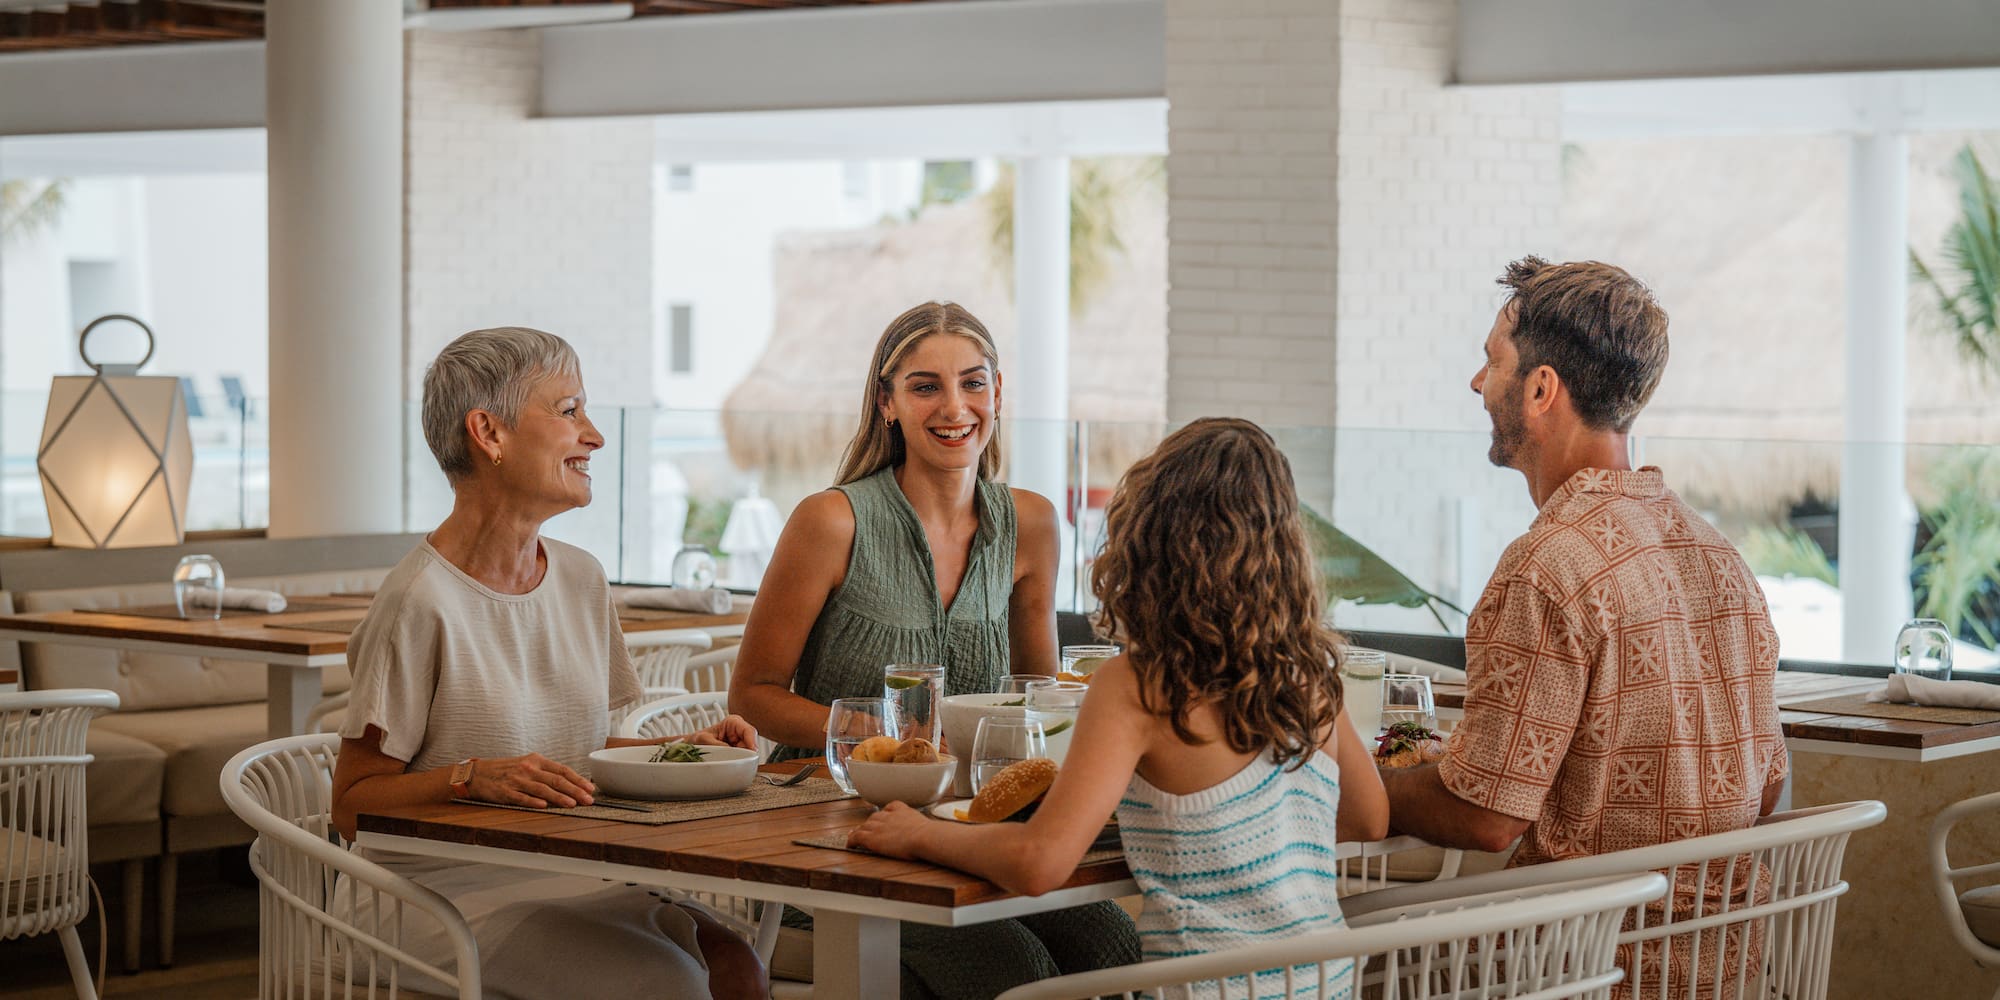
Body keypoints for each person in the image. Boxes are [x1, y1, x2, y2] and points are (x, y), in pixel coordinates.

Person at [850, 417, 1390, 999]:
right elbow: (1368, 819)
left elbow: (1040, 862)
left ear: (1150, 536)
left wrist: (915, 834)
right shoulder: (1310, 675)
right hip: (1325, 986)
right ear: (1284, 547)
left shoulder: (1140, 685)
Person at [1376, 258, 1787, 994]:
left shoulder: (1546, 567)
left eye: (1490, 362)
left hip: (1584, 967)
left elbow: (1487, 818)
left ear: (1540, 389)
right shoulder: (1720, 558)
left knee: (1350, 957)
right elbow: (1764, 791)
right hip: (1725, 971)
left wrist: (1355, 781)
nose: (1477, 385)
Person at [329, 327, 767, 1000]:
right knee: (670, 986)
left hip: (572, 867)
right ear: (489, 433)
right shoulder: (418, 601)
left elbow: (579, 758)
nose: (593, 436)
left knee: (738, 968)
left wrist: (684, 751)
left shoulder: (582, 579)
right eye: (569, 412)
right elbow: (351, 805)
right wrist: (471, 780)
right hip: (430, 894)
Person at [729, 301, 1138, 999]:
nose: (955, 407)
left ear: (998, 395)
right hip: (830, 827)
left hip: (968, 824)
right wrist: (885, 736)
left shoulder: (1031, 523)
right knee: (1005, 965)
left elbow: (1036, 695)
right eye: (925, 387)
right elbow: (753, 696)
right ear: (887, 403)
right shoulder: (830, 521)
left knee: (1113, 941)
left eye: (973, 384)